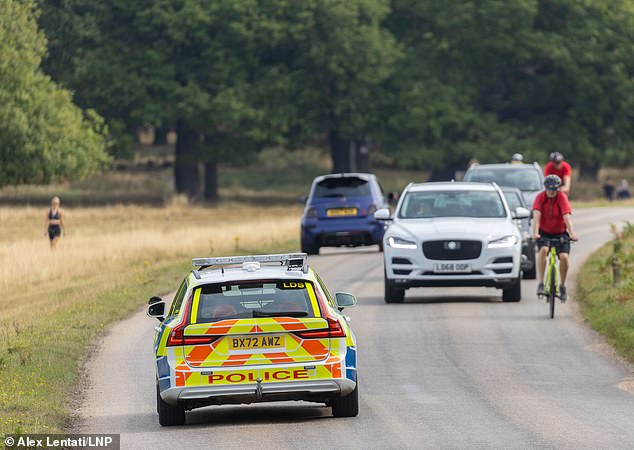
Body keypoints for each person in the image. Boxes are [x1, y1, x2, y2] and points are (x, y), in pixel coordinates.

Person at [532, 175, 578, 301]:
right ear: (545, 188)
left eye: (554, 189)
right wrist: (535, 233)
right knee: (544, 250)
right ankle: (541, 283)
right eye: (549, 189)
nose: (552, 191)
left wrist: (572, 234)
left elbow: (566, 217)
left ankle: (562, 285)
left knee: (564, 257)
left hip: (560, 233)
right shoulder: (540, 197)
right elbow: (536, 217)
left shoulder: (561, 197)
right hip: (544, 232)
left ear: (558, 188)